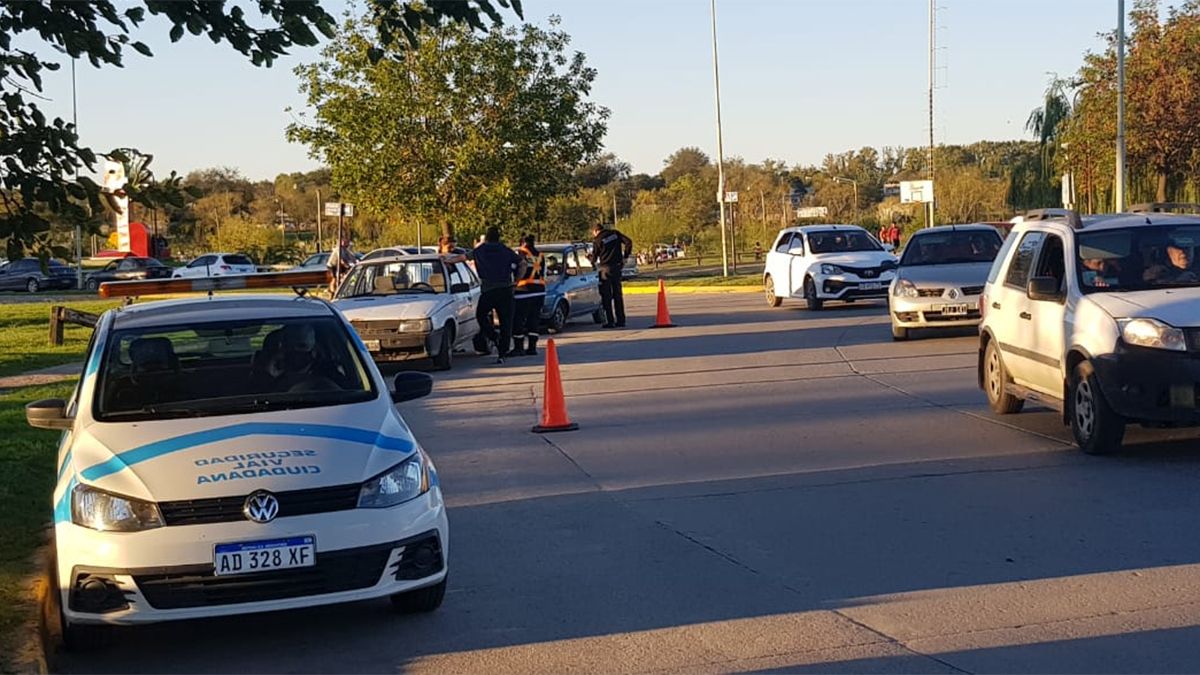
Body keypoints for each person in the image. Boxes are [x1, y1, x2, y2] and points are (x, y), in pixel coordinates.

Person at [471, 226, 526, 363]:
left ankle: (493, 336)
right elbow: (522, 263)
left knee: (481, 315)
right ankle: (502, 352)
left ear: (487, 238)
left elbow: (462, 257)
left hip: (488, 291)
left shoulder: (480, 250)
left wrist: (446, 259)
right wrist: (517, 281)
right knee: (506, 322)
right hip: (505, 290)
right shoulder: (505, 250)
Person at [589, 223, 633, 328]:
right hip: (617, 267)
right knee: (618, 295)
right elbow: (629, 242)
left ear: (595, 231)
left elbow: (594, 259)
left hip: (605, 269)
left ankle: (610, 321)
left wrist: (589, 257)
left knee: (607, 296)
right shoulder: (615, 233)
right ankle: (621, 320)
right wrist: (626, 256)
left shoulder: (597, 240)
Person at [512, 234, 546, 356]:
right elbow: (543, 273)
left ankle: (518, 347)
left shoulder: (520, 254)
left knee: (518, 319)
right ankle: (532, 347)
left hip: (523, 291)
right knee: (534, 319)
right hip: (540, 291)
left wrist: (513, 284)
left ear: (522, 243)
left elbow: (514, 270)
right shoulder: (540, 255)